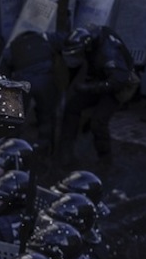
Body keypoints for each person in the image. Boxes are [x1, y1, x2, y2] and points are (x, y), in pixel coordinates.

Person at [58, 25, 137, 168]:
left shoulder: (109, 54)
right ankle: (66, 149)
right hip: (101, 76)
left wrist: (90, 88)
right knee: (72, 106)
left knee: (98, 121)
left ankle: (105, 159)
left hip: (119, 84)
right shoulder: (91, 37)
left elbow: (118, 82)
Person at [0, 31, 64, 158]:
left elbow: (2, 75)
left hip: (22, 82)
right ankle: (45, 152)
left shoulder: (12, 48)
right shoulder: (45, 39)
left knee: (14, 120)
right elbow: (65, 42)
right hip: (45, 80)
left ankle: (9, 151)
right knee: (46, 116)